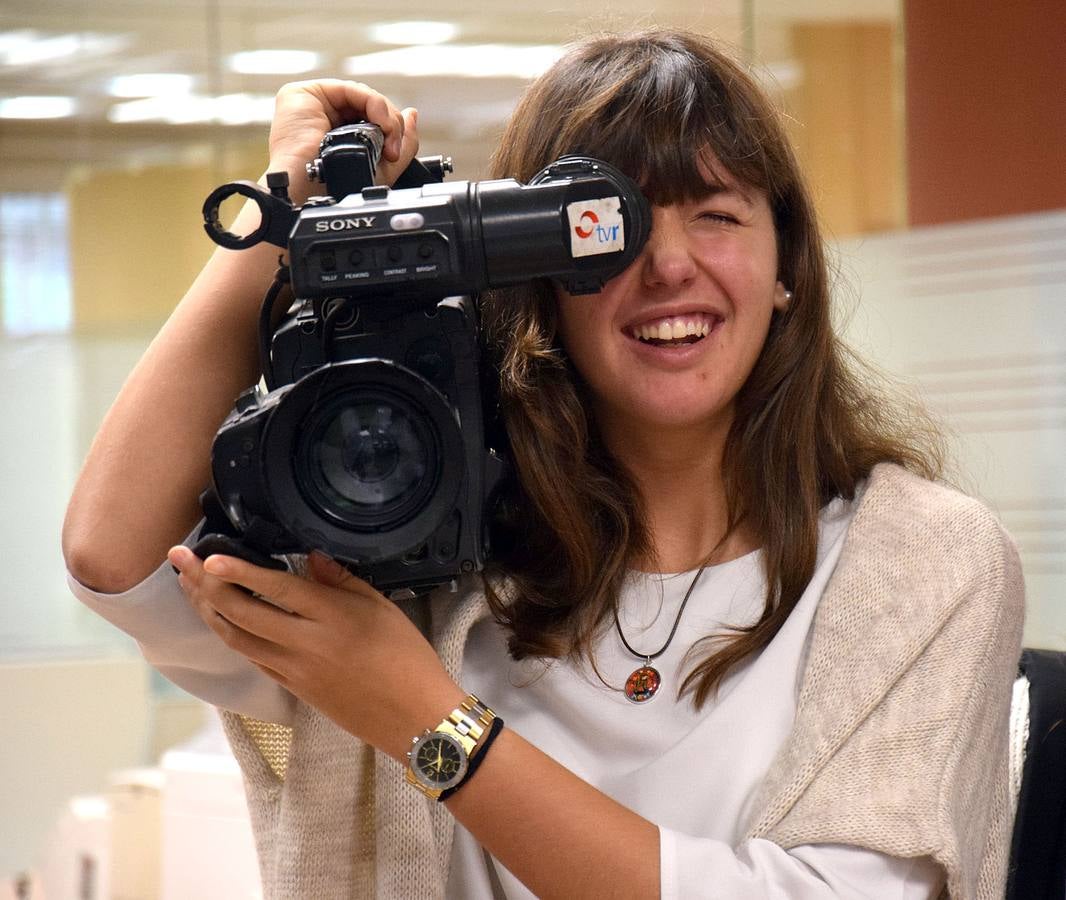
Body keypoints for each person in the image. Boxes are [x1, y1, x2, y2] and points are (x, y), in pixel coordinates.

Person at [63, 29, 1024, 899]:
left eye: (718, 216)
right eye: (611, 227)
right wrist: (290, 205)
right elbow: (116, 556)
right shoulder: (413, 536)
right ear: (540, 287)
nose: (668, 265)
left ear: (786, 271)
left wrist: (421, 718)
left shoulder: (922, 561)